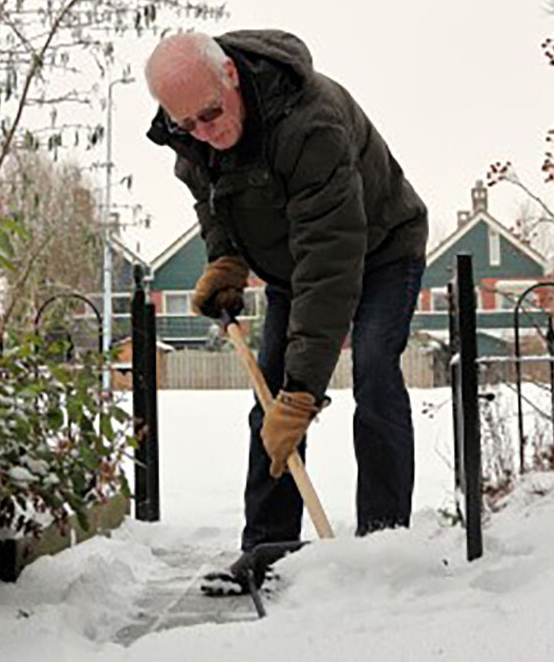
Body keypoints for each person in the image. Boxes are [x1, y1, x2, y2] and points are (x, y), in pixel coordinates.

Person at [144, 30, 428, 580]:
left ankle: (383, 546)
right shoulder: (192, 135)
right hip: (294, 266)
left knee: (372, 370)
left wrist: (303, 395)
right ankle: (267, 549)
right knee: (267, 395)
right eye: (188, 125)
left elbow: (330, 261)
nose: (206, 133)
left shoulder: (309, 122)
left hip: (381, 248)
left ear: (229, 74)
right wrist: (226, 260)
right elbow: (214, 203)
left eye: (210, 114)